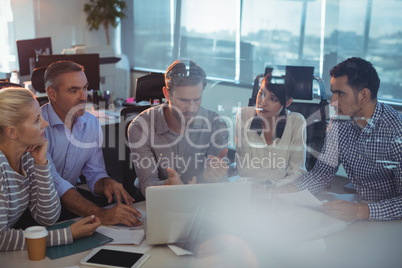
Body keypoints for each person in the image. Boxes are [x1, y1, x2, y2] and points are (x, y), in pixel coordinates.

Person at [281, 57, 402, 221]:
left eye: (340, 93)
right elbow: (322, 174)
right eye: (333, 92)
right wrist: (288, 190)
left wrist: (362, 211)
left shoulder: (396, 131)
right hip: (359, 212)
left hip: (392, 220)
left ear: (364, 96)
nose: (332, 102)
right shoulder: (339, 123)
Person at [41, 60, 142, 226]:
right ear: (51, 93)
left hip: (68, 205)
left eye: (85, 88)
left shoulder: (91, 123)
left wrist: (107, 182)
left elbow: (94, 173)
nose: (83, 97)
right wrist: (101, 214)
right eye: (74, 90)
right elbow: (54, 183)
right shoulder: (37, 126)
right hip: (38, 210)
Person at [0, 88, 101, 251]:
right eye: (36, 120)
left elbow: (47, 217)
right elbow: (1, 239)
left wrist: (41, 163)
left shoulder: (27, 155)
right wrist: (68, 234)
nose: (45, 124)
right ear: (12, 131)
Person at [128, 60, 229, 197]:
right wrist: (168, 186)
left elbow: (222, 186)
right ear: (166, 93)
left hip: (200, 199)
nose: (191, 108)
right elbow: (147, 185)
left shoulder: (216, 124)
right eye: (184, 100)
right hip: (160, 201)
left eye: (196, 99)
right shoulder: (140, 127)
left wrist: (212, 178)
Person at [235, 73, 307, 186]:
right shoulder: (244, 115)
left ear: (287, 102)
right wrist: (284, 174)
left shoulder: (297, 122)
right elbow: (244, 169)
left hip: (282, 192)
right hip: (250, 189)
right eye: (262, 94)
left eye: (273, 99)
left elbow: (297, 172)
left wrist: (273, 189)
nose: (263, 102)